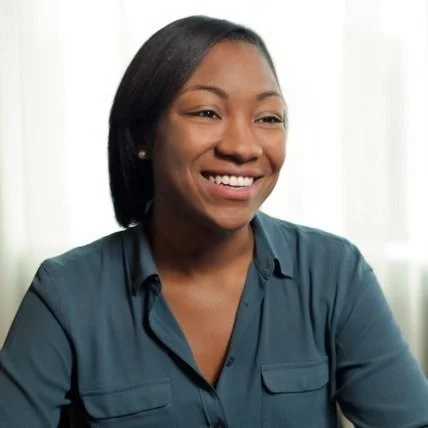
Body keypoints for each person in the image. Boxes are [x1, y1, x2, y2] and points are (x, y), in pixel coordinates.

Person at [0, 15, 427, 428]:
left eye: (268, 118)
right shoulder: (65, 294)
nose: (243, 147)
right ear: (144, 135)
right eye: (207, 112)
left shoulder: (334, 273)